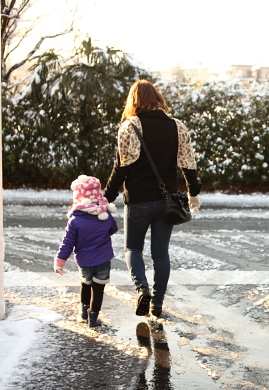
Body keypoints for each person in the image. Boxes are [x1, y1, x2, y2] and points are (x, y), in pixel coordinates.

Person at [104, 79, 202, 319]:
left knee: (132, 248)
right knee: (161, 253)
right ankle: (157, 304)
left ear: (134, 101)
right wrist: (193, 192)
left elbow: (121, 167)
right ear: (158, 98)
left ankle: (142, 289)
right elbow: (188, 163)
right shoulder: (177, 126)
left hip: (137, 201)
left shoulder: (130, 127)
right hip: (166, 200)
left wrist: (108, 197)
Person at [54, 175, 118, 328]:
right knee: (98, 289)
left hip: (84, 261)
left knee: (85, 284)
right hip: (103, 259)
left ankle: (83, 314)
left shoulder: (75, 221)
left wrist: (60, 262)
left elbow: (67, 244)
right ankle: (93, 319)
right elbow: (113, 229)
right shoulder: (105, 215)